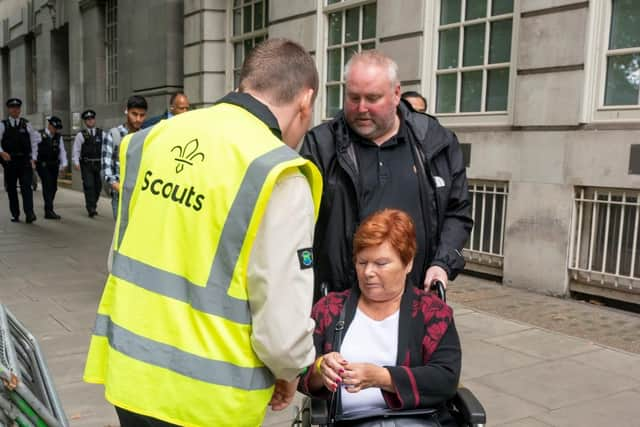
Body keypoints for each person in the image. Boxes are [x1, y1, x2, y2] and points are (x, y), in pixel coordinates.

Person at [84, 38, 322, 427]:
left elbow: (120, 257)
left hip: (130, 375)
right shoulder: (276, 171)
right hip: (209, 399)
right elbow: (281, 323)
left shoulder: (149, 141)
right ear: (305, 100)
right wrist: (290, 368)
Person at [301, 50, 472, 300]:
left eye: (372, 98)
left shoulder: (435, 141)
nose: (361, 108)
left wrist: (442, 264)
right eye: (353, 97)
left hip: (414, 304)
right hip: (342, 306)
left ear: (396, 94)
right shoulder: (321, 146)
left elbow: (457, 213)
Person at [298, 209, 461, 426]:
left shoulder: (433, 313)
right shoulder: (329, 309)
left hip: (417, 420)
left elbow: (445, 378)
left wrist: (383, 378)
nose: (368, 272)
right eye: (362, 262)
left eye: (381, 263)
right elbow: (299, 372)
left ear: (408, 263)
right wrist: (321, 368)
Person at [102, 95, 147, 219]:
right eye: (134, 114)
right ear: (127, 111)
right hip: (121, 197)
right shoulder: (114, 135)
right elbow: (107, 171)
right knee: (122, 237)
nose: (138, 119)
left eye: (142, 115)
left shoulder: (146, 136)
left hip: (141, 197)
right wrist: (121, 189)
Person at [0, 98, 41, 223]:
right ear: (8, 109)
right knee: (11, 188)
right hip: (10, 162)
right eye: (12, 107)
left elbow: (34, 143)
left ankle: (30, 213)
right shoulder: (3, 125)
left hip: (24, 161)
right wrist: (1, 152)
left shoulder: (26, 124)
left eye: (17, 107)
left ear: (20, 109)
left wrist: (33, 158)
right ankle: (15, 214)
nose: (15, 110)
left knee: (26, 187)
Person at [72, 109, 105, 217]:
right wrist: (76, 162)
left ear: (94, 120)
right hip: (86, 164)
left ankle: (93, 204)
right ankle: (91, 208)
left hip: (99, 164)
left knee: (98, 186)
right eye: (88, 120)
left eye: (91, 119)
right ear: (85, 122)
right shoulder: (81, 135)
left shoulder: (102, 133)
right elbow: (76, 150)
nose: (90, 121)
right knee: (89, 185)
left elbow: (106, 148)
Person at [35, 116, 68, 219]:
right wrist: (32, 160)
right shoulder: (39, 134)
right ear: (49, 125)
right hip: (42, 164)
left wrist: (64, 164)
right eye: (54, 127)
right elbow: (33, 147)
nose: (56, 130)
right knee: (47, 185)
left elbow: (62, 151)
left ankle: (48, 208)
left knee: (53, 188)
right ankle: (48, 211)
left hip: (54, 165)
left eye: (57, 128)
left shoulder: (58, 137)